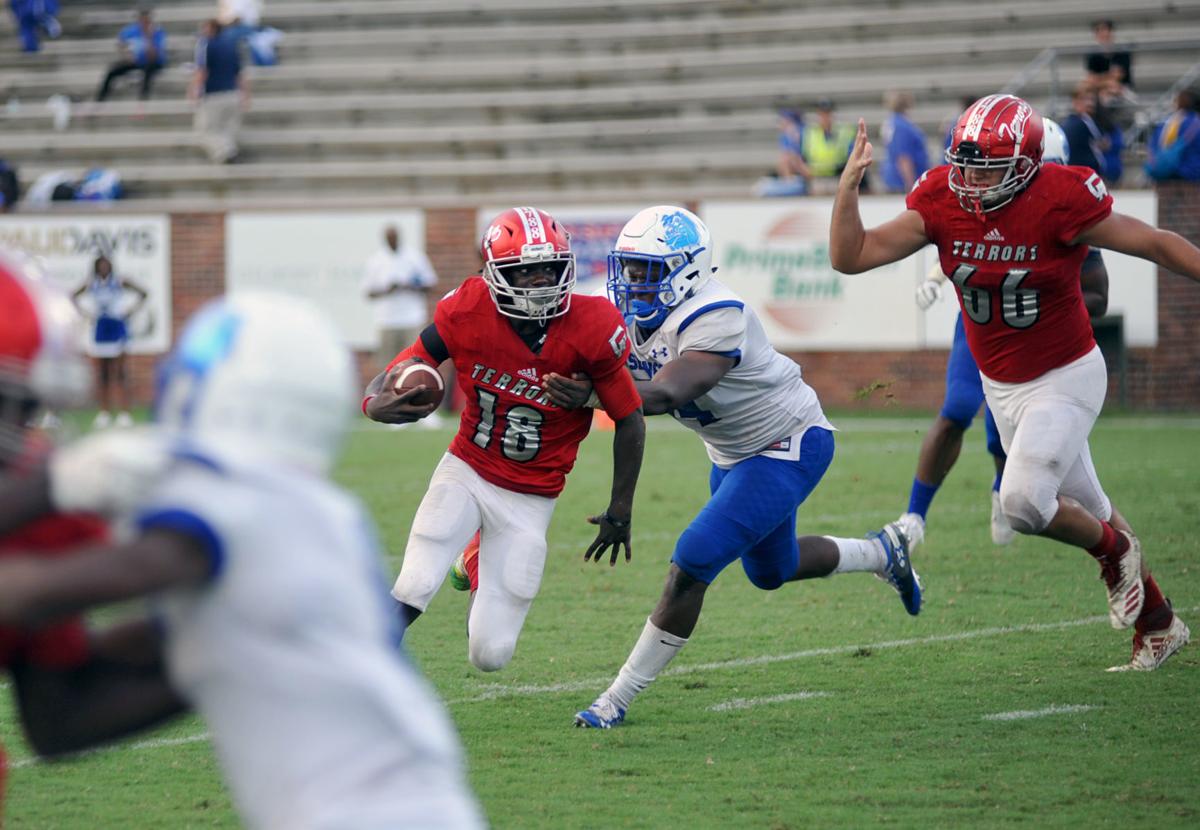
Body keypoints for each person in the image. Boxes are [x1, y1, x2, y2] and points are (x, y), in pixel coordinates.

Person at [0, 290, 486, 829]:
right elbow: (59, 724)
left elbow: (29, 594)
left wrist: (51, 489)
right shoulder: (312, 510)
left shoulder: (245, 503)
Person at [830, 93, 1200, 671]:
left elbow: (1151, 242)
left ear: (1027, 165)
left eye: (987, 166)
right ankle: (1158, 624)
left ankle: (1114, 553)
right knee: (1091, 505)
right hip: (1001, 386)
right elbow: (850, 256)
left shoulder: (1059, 197)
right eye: (965, 162)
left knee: (1024, 503)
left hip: (1065, 376)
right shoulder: (942, 197)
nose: (972, 177)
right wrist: (847, 188)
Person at [570, 206, 921, 729]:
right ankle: (881, 552)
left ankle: (614, 699)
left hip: (788, 442)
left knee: (692, 562)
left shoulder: (717, 313)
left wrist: (590, 394)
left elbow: (669, 392)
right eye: (630, 268)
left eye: (647, 271)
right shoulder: (619, 312)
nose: (633, 282)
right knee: (770, 571)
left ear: (688, 270)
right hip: (732, 456)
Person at [363, 206, 646, 673]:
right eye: (526, 270)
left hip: (533, 496)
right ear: (495, 274)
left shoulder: (593, 325)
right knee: (413, 585)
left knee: (490, 655)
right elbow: (406, 364)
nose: (539, 281)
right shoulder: (468, 309)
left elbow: (631, 418)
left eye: (549, 269)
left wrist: (621, 508)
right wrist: (373, 404)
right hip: (468, 468)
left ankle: (472, 560)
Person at [0, 255, 190, 817]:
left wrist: (213, 646)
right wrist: (51, 489)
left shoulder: (38, 508)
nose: (17, 433)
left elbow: (56, 718)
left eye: (21, 410)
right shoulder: (40, 494)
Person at [897, 118, 1110, 550]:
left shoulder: (1065, 207)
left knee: (1004, 436)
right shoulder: (979, 202)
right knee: (958, 406)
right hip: (982, 327)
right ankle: (914, 516)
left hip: (1038, 347)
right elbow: (966, 241)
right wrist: (938, 280)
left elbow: (1098, 291)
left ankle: (1005, 487)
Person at [71, 254, 147, 429]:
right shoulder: (92, 284)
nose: (104, 268)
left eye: (107, 265)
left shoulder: (119, 281)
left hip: (117, 326)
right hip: (101, 327)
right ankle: (104, 413)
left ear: (111, 267)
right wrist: (85, 313)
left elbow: (143, 293)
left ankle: (124, 413)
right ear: (96, 267)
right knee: (103, 374)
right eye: (101, 265)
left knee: (120, 372)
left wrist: (130, 310)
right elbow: (73, 296)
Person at [362, 224, 439, 375]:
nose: (392, 241)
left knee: (414, 362)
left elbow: (430, 284)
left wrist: (409, 286)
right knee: (387, 367)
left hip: (412, 318)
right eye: (389, 238)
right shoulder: (376, 260)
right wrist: (387, 290)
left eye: (394, 238)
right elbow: (368, 292)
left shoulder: (414, 257)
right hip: (386, 320)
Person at [189, 18, 249, 164]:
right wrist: (245, 95)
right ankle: (227, 153)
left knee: (204, 131)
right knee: (227, 130)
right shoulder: (232, 45)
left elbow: (202, 70)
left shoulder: (206, 45)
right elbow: (240, 73)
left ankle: (226, 152)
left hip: (214, 94)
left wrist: (193, 90)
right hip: (233, 94)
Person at [97, 6, 168, 102]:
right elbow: (121, 44)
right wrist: (127, 55)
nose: (144, 21)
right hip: (137, 62)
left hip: (154, 62)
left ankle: (142, 103)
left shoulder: (157, 31)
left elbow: (154, 56)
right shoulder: (131, 31)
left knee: (148, 71)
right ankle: (99, 102)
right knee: (112, 71)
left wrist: (148, 37)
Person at [1145, 89, 1200, 182]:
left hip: (1165, 175)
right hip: (1192, 174)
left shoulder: (1166, 123)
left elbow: (1153, 146)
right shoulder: (1196, 123)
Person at [881, 90, 929, 193]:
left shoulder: (892, 123)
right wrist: (911, 185)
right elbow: (903, 157)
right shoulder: (902, 126)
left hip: (895, 178)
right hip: (901, 182)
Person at [802, 98, 857, 186]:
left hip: (838, 176)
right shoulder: (810, 132)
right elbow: (802, 156)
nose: (825, 117)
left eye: (828, 113)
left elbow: (851, 154)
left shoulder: (845, 132)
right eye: (822, 114)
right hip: (816, 177)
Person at [1063, 83, 1110, 177]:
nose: (1090, 103)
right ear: (1075, 102)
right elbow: (1105, 143)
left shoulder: (1067, 121)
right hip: (1087, 172)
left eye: (1092, 99)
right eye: (1085, 99)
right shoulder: (1085, 121)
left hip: (1075, 171)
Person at [1085, 19, 1134, 95]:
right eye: (1099, 31)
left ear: (1111, 32)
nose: (1103, 34)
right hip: (1101, 90)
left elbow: (1118, 76)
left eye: (1105, 30)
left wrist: (1099, 78)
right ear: (1096, 35)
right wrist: (1108, 78)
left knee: (1114, 88)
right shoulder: (1092, 56)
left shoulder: (1122, 53)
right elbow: (1091, 80)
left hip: (1122, 88)